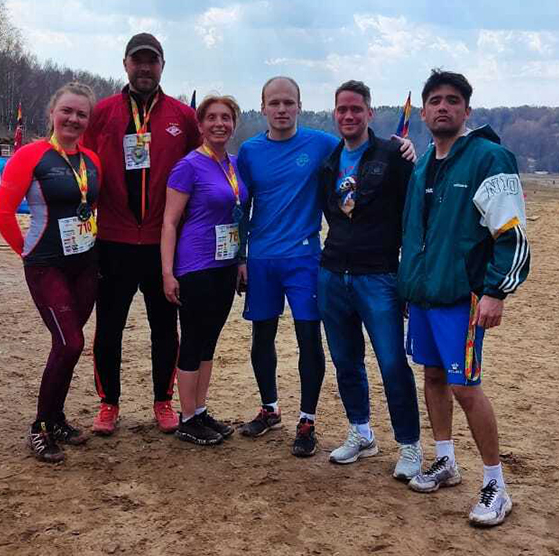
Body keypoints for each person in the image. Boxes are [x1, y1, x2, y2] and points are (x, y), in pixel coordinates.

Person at [237, 76, 416, 458]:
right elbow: (242, 203)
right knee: (261, 337)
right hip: (262, 258)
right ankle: (270, 408)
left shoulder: (321, 144)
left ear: (300, 106)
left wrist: (405, 148)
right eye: (274, 103)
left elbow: (363, 149)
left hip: (306, 258)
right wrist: (240, 256)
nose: (282, 109)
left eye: (288, 102)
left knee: (310, 339)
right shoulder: (249, 151)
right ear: (263, 107)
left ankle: (307, 420)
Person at [398, 70, 530, 527]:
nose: (443, 107)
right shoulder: (423, 164)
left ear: (467, 110)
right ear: (424, 111)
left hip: (463, 297)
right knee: (433, 376)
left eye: (452, 100)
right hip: (424, 296)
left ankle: (496, 484)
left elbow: (511, 233)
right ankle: (446, 459)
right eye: (435, 100)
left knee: (465, 387)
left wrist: (496, 291)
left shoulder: (489, 158)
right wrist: (409, 287)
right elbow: (414, 233)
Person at [83, 33, 200, 436]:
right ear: (125, 64)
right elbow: (82, 165)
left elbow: (199, 168)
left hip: (161, 245)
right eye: (138, 61)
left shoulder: (184, 117)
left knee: (165, 328)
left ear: (163, 66)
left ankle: (163, 402)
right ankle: (109, 404)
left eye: (152, 61)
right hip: (112, 240)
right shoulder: (102, 113)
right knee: (108, 327)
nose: (145, 68)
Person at [316, 80, 422, 479]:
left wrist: (407, 275)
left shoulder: (394, 155)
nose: (349, 116)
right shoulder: (329, 161)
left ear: (369, 113)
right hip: (332, 274)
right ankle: (361, 432)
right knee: (345, 360)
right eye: (342, 109)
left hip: (379, 276)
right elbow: (330, 213)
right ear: (335, 113)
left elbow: (414, 213)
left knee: (392, 364)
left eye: (356, 109)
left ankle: (409, 445)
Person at [0, 82, 101, 463]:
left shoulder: (91, 160)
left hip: (85, 265)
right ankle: (40, 427)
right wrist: (27, 252)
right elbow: (2, 212)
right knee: (70, 343)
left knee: (67, 344)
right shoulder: (31, 155)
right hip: (47, 266)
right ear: (52, 113)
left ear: (88, 120)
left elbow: (92, 208)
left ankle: (55, 419)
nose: (73, 119)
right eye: (66, 111)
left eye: (81, 114)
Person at [161, 95, 248, 445]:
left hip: (225, 264)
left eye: (226, 117)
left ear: (234, 124)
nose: (219, 124)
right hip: (195, 264)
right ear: (200, 125)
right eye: (211, 117)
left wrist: (240, 260)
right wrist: (167, 272)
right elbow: (169, 222)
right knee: (193, 339)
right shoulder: (188, 166)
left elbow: (238, 217)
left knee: (210, 340)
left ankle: (199, 410)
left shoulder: (235, 164)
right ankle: (186, 418)